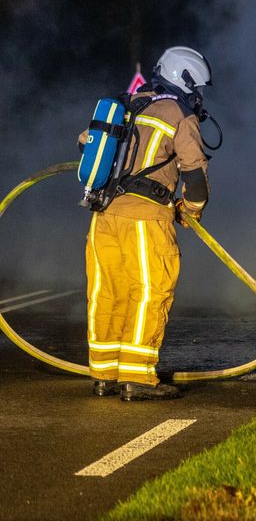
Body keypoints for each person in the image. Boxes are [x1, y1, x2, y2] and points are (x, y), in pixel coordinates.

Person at [80, 46, 212, 400]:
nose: (198, 96)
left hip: (104, 215)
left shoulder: (126, 103)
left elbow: (85, 143)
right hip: (146, 219)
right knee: (150, 292)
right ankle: (137, 377)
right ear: (186, 81)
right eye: (197, 88)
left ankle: (104, 373)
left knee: (107, 291)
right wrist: (191, 210)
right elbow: (195, 176)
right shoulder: (180, 115)